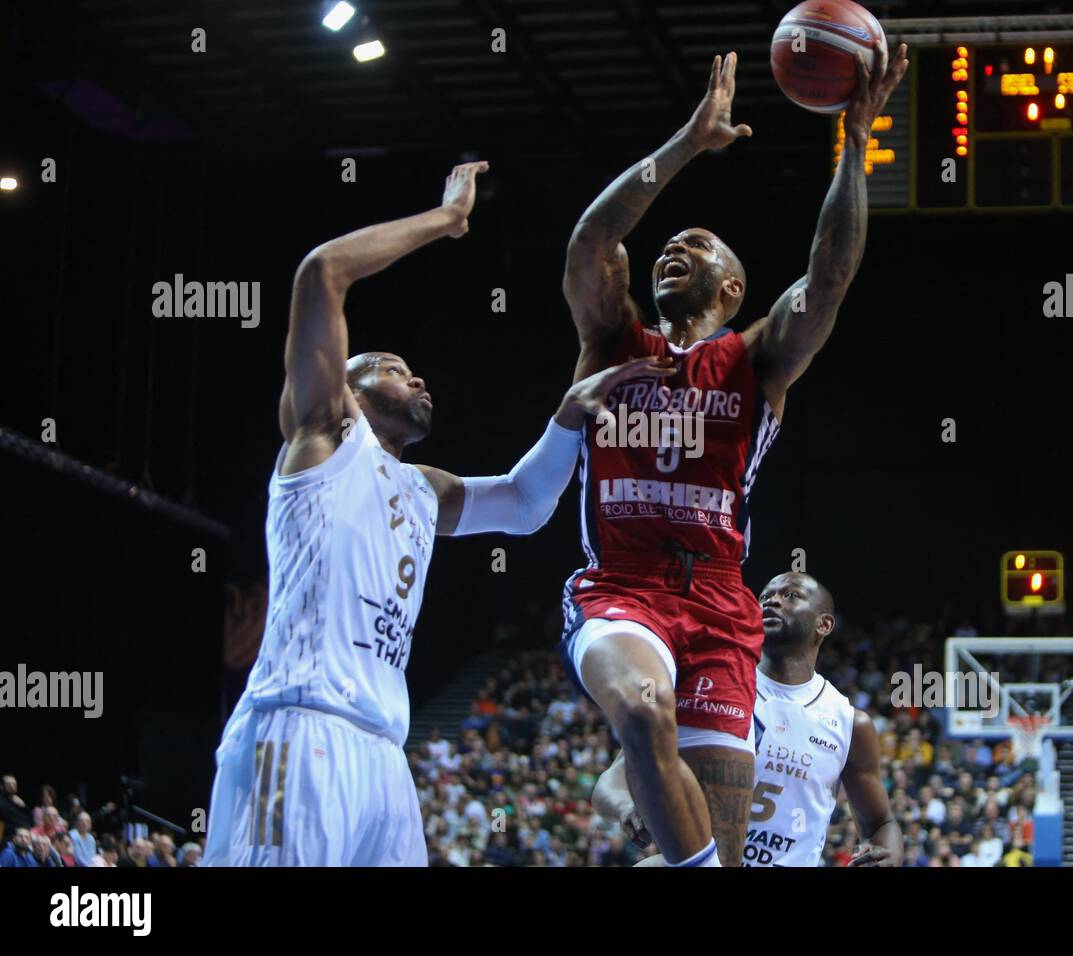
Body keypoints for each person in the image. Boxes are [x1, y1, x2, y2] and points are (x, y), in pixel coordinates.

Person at [203, 161, 673, 867]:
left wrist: (571, 414)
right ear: (350, 390)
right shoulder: (325, 437)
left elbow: (522, 504)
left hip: (384, 755)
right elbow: (322, 271)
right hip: (300, 729)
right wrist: (446, 221)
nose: (416, 376)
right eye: (392, 367)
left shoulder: (424, 487)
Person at [558, 46, 909, 867]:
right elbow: (590, 240)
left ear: (733, 291)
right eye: (668, 245)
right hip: (626, 586)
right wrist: (686, 143)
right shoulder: (613, 337)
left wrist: (855, 141)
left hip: (719, 604)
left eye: (699, 244)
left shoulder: (755, 359)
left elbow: (828, 281)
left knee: (715, 849)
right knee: (644, 709)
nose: (673, 246)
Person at [593, 572, 902, 868]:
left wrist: (887, 854)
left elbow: (880, 823)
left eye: (791, 595)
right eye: (764, 597)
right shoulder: (707, 688)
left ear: (824, 624)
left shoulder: (848, 722)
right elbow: (612, 781)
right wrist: (625, 807)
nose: (772, 601)